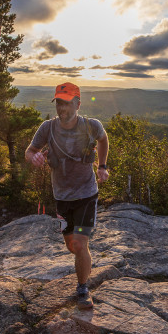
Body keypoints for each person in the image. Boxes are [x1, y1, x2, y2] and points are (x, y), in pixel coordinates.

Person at [25, 82, 109, 309]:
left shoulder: (91, 126)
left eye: (66, 103)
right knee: (71, 245)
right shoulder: (47, 128)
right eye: (58, 103)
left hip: (86, 195)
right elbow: (30, 150)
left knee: (80, 245)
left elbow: (103, 139)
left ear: (78, 104)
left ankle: (83, 288)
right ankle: (85, 261)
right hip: (61, 197)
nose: (61, 109)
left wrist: (102, 166)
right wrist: (33, 158)